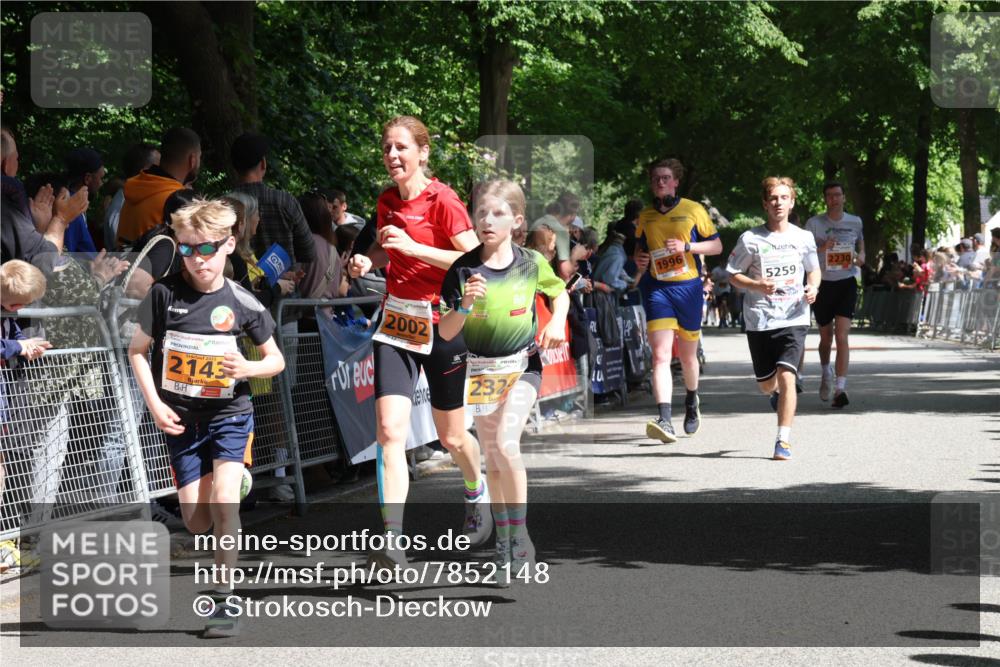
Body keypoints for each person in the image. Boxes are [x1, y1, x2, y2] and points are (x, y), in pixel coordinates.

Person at [128, 199, 284, 638]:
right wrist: (155, 405)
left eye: (208, 249)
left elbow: (275, 361)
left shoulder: (243, 302)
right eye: (189, 249)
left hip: (230, 417)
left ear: (229, 245)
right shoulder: (164, 294)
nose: (198, 260)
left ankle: (223, 599)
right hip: (181, 421)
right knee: (197, 521)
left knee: (225, 507)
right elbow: (137, 351)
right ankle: (230, 483)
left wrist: (248, 368)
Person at [347, 115, 488, 569]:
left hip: (443, 323)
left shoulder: (444, 200)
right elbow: (387, 249)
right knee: (389, 432)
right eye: (387, 147)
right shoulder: (386, 200)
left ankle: (475, 490)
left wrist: (413, 248)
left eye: (401, 147)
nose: (392, 155)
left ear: (422, 153)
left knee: (451, 435)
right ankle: (391, 540)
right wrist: (367, 264)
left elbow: (473, 260)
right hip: (397, 324)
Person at [439, 179, 569, 582]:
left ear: (516, 221)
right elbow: (445, 331)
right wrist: (464, 305)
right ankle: (502, 538)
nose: (486, 220)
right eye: (481, 213)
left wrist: (559, 321)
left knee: (507, 445)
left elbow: (559, 293)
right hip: (479, 373)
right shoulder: (463, 269)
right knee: (492, 457)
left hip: (522, 366)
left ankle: (519, 536)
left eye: (497, 213)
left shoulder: (531, 262)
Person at [726, 177, 820, 460]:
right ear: (765, 204)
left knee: (788, 376)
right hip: (760, 319)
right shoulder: (750, 239)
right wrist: (755, 285)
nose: (778, 203)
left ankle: (783, 440)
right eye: (773, 198)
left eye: (784, 197)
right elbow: (732, 275)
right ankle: (774, 395)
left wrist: (813, 287)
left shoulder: (803, 237)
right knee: (768, 384)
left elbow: (814, 270)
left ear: (792, 202)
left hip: (794, 316)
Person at [634, 158, 722, 443]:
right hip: (657, 288)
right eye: (656, 178)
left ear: (676, 182)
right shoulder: (645, 216)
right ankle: (664, 418)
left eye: (666, 177)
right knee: (660, 355)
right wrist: (639, 259)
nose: (660, 182)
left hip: (688, 288)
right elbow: (639, 251)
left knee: (687, 356)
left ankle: (692, 400)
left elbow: (717, 245)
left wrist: (687, 246)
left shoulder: (694, 209)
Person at [805, 181, 865, 408]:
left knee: (842, 335)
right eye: (830, 196)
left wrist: (862, 255)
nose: (834, 199)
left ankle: (840, 388)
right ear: (825, 199)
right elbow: (805, 252)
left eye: (838, 195)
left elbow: (861, 244)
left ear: (844, 197)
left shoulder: (855, 221)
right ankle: (825, 373)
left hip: (846, 281)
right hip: (823, 283)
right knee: (826, 337)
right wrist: (823, 247)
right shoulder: (814, 223)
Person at [103, 143, 160, 252]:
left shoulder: (136, 202)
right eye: (159, 168)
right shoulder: (123, 208)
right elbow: (126, 255)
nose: (164, 174)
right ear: (145, 172)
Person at [62, 148, 105, 256]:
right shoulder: (72, 210)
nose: (102, 183)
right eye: (100, 178)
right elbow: (66, 257)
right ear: (87, 178)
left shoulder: (73, 203)